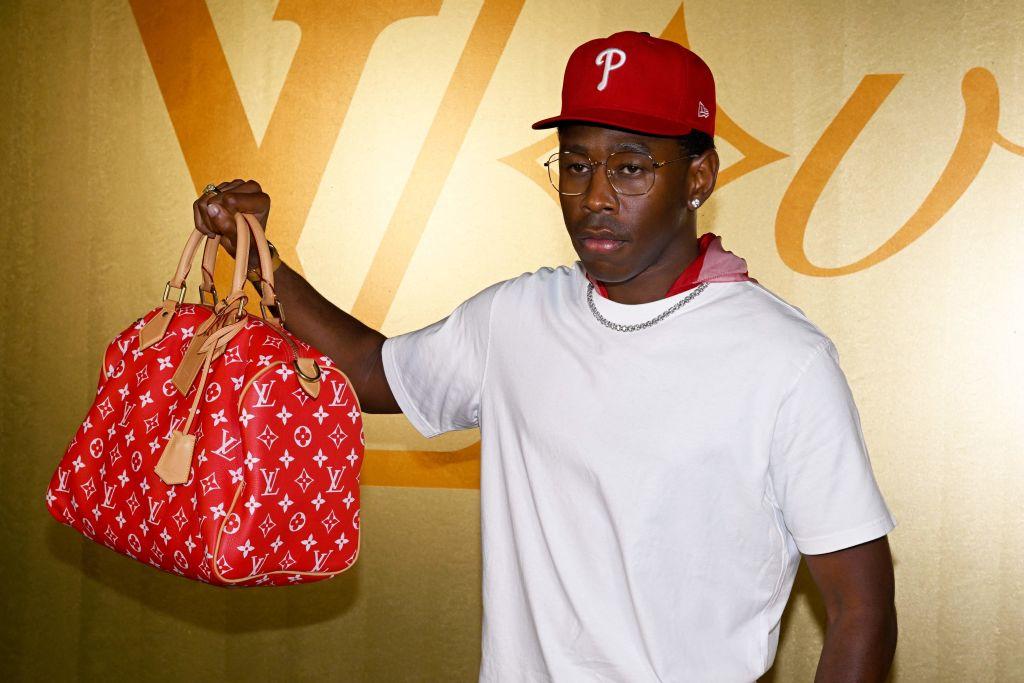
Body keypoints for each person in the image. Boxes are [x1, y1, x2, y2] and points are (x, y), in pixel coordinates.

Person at [195, 30, 897, 683]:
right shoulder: (515, 318)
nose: (594, 197)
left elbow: (859, 608)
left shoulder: (783, 359)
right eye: (577, 164)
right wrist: (255, 250)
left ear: (698, 177)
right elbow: (374, 372)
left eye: (629, 167)